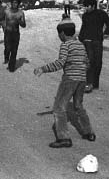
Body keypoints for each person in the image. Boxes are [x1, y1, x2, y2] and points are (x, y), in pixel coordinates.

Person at [34, 17, 96, 148]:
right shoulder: (80, 45)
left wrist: (43, 69)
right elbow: (87, 63)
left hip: (70, 80)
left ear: (62, 34)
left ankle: (63, 138)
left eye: (59, 34)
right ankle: (88, 132)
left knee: (59, 108)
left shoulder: (65, 45)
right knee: (78, 106)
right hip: (81, 79)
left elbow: (60, 63)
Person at [78, 0, 109, 93]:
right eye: (85, 6)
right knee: (90, 62)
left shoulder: (101, 14)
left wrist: (106, 33)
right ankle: (89, 83)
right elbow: (83, 28)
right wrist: (80, 39)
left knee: (98, 63)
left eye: (87, 6)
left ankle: (95, 83)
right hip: (87, 41)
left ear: (93, 6)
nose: (86, 8)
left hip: (97, 41)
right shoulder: (85, 16)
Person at [3, 0, 26, 72]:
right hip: (8, 32)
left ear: (18, 4)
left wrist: (19, 21)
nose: (14, 4)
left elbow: (24, 25)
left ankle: (11, 67)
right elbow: (3, 20)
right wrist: (4, 27)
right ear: (11, 3)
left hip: (16, 33)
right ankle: (6, 57)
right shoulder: (7, 11)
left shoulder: (21, 13)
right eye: (13, 2)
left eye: (16, 3)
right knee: (8, 48)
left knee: (14, 50)